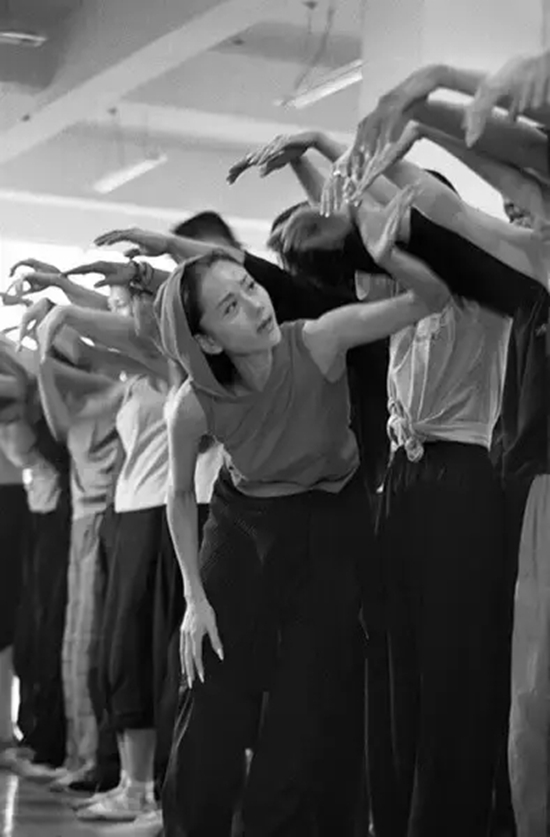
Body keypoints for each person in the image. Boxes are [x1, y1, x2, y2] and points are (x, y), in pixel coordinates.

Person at [154, 188, 450, 837]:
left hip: (330, 524)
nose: (255, 305)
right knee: (210, 697)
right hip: (242, 524)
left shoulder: (320, 337)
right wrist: (194, 599)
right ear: (206, 338)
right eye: (230, 306)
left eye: (249, 287)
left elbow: (432, 297)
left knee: (302, 710)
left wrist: (381, 248)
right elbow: (178, 495)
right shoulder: (192, 405)